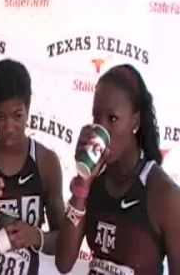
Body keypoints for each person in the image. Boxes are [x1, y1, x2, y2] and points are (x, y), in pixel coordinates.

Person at [55, 64, 180, 274]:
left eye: (112, 118)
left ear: (135, 121)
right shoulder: (94, 184)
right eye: (97, 118)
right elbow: (64, 261)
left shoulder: (164, 195)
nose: (102, 128)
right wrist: (82, 184)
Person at [0, 59, 65, 275]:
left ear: (28, 107)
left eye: (17, 116)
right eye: (0, 117)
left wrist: (37, 237)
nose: (9, 127)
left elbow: (64, 246)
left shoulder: (46, 163)